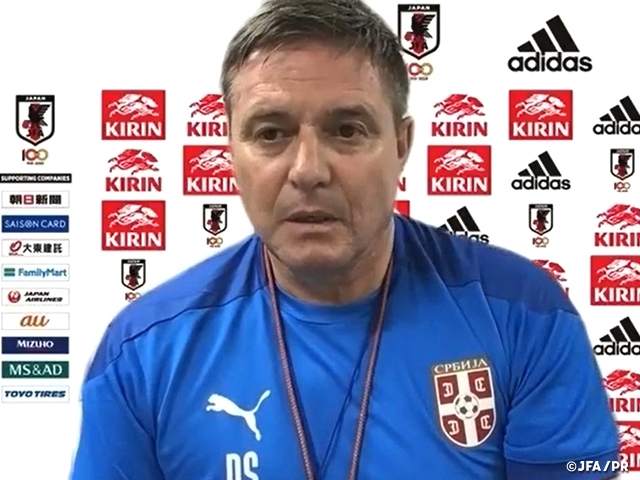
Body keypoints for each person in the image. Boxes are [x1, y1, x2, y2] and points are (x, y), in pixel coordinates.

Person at [70, 0, 620, 478]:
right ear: (230, 150)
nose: (308, 170)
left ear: (401, 145)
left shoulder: (525, 315)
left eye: (347, 130)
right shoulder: (143, 352)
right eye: (271, 133)